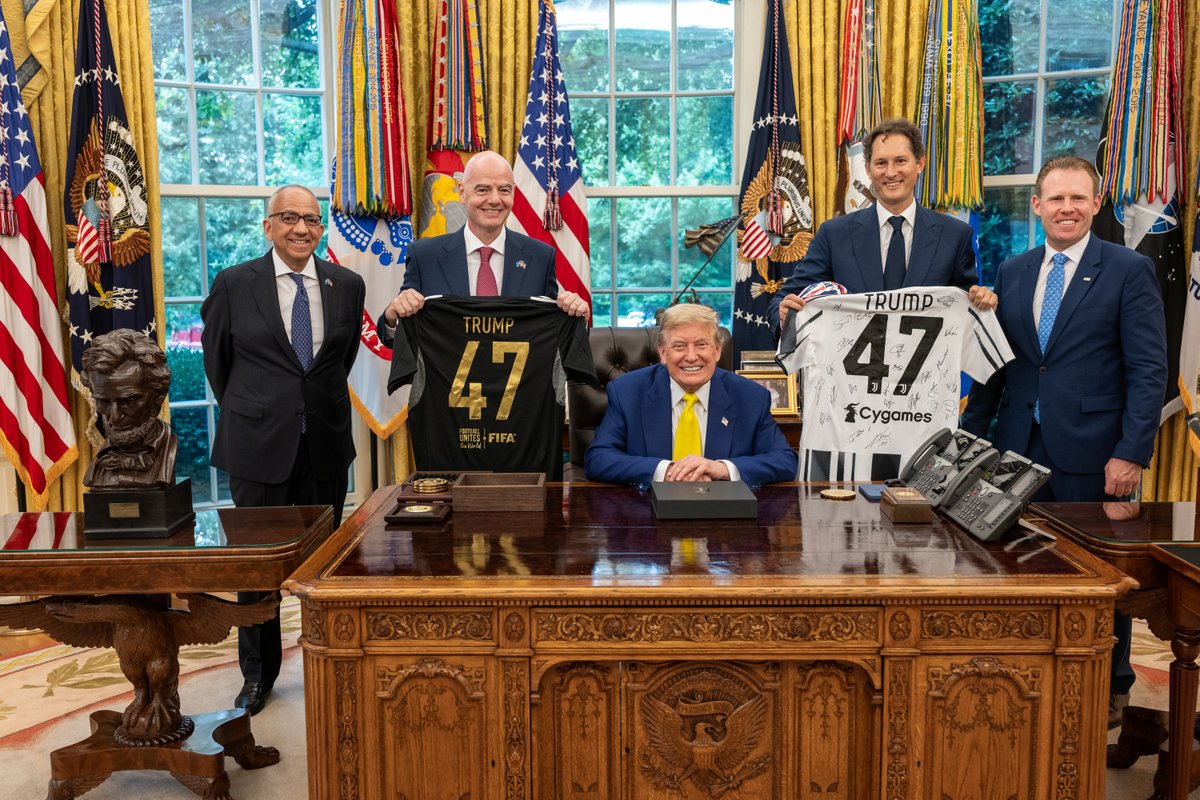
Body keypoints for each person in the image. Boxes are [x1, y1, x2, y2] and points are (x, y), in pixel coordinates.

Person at [961, 155, 1167, 728]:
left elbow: (1148, 369)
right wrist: (968, 442)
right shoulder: (1013, 271)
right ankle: (1028, 681)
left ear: (1096, 204)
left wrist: (1130, 453)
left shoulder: (1127, 269)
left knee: (1101, 579)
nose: (1068, 208)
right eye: (1056, 199)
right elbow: (998, 368)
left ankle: (1110, 691)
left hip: (1097, 454)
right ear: (1038, 206)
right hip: (1016, 451)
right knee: (1017, 570)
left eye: (1079, 198)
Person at [201, 185, 366, 716]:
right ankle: (258, 675)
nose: (302, 229)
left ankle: (325, 661)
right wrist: (261, 410)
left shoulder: (348, 284)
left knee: (322, 567)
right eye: (289, 218)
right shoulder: (234, 283)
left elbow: (336, 364)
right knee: (257, 570)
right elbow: (218, 364)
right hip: (256, 446)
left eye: (312, 220)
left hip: (324, 442)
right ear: (268, 225)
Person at [768, 118, 996, 330]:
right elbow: (782, 302)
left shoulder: (955, 235)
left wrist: (984, 302)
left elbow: (969, 307)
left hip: (928, 372)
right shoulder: (834, 235)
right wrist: (783, 313)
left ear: (920, 164)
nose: (890, 172)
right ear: (868, 169)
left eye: (900, 161)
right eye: (880, 163)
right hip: (852, 371)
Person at [377, 150, 588, 341]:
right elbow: (396, 339)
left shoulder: (540, 257)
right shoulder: (425, 256)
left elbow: (552, 334)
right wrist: (392, 317)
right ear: (461, 192)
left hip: (520, 383)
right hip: (445, 382)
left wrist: (576, 315)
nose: (495, 199)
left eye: (504, 190)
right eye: (483, 190)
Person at [584, 304, 797, 490]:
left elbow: (784, 460)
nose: (692, 356)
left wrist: (720, 468)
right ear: (662, 352)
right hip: (648, 517)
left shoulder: (750, 397)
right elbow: (598, 458)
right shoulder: (627, 392)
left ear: (717, 350)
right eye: (679, 346)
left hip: (725, 517)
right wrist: (666, 471)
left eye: (702, 345)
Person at [80, 329, 176, 489]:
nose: (115, 417)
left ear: (159, 393)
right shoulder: (101, 462)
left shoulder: (170, 450)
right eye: (103, 401)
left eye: (129, 401)